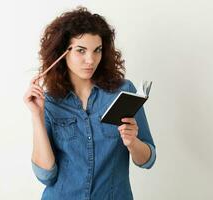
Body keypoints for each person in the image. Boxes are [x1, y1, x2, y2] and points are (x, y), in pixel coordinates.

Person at [23, 6, 156, 200]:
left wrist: (132, 142)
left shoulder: (123, 92)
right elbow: (46, 175)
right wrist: (37, 115)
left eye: (97, 50)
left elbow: (148, 160)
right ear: (63, 53)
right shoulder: (49, 102)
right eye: (81, 50)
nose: (90, 60)